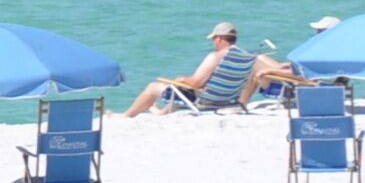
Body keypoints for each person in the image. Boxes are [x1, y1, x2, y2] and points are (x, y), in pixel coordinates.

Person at [124, 23, 297, 116]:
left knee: (154, 87)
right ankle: (159, 112)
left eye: (214, 39)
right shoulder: (246, 57)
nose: (213, 42)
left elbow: (196, 82)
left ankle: (126, 116)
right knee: (182, 92)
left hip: (207, 101)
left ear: (221, 39)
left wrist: (181, 79)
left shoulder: (214, 57)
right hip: (228, 99)